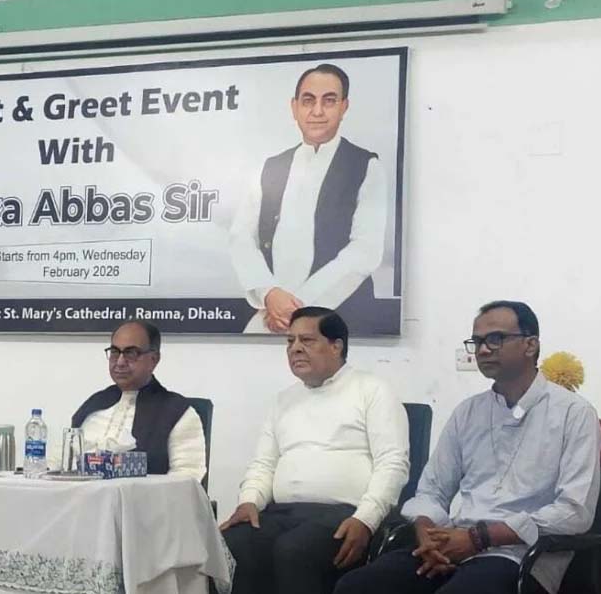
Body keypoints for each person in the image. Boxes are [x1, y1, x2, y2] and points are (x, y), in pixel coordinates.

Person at [334, 301, 601, 594]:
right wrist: (427, 532)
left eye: (495, 339)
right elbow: (432, 491)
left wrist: (481, 538)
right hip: (453, 542)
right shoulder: (468, 412)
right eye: (477, 342)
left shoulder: (573, 413)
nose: (483, 350)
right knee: (356, 586)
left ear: (530, 345)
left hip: (521, 555)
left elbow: (574, 512)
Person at [221, 306, 409, 594]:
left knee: (294, 549)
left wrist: (366, 520)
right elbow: (263, 465)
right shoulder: (283, 401)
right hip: (283, 513)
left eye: (307, 340)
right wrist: (249, 502)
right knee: (236, 541)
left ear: (336, 346)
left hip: (346, 513)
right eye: (290, 341)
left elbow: (393, 464)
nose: (295, 349)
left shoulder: (372, 390)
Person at [230, 63, 395, 335]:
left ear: (344, 107)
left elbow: (364, 250)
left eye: (329, 101)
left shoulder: (366, 166)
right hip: (270, 315)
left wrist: (299, 307)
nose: (317, 111)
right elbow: (241, 238)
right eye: (308, 100)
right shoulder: (269, 168)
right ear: (294, 107)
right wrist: (269, 293)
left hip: (340, 320)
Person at [70, 320, 207, 482]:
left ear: (154, 359)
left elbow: (187, 479)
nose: (120, 362)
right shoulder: (94, 403)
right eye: (114, 352)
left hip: (144, 498)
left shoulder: (177, 412)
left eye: (131, 353)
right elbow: (61, 463)